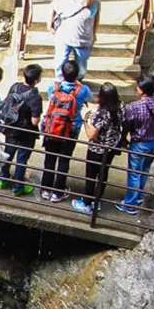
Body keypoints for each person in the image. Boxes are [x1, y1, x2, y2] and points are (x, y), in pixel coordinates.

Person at [116, 74, 154, 216]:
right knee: (145, 169)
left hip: (139, 143)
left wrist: (124, 138)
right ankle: (138, 198)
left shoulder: (134, 107)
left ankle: (130, 205)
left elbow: (127, 125)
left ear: (141, 89)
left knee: (134, 173)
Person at [38, 58, 93, 202]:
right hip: (71, 129)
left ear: (62, 74)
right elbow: (90, 97)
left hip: (53, 127)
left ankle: (45, 188)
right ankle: (58, 192)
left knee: (49, 159)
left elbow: (51, 99)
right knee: (64, 160)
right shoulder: (83, 90)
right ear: (77, 75)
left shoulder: (53, 88)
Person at [71, 82, 123, 215]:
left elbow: (91, 134)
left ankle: (87, 203)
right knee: (103, 173)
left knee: (91, 175)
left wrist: (85, 120)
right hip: (110, 147)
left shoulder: (102, 114)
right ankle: (96, 200)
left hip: (97, 149)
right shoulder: (120, 106)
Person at [0, 62, 42, 195]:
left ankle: (3, 179)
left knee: (8, 154)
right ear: (36, 80)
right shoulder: (35, 97)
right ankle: (17, 187)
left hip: (10, 129)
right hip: (25, 134)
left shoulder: (15, 87)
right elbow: (35, 121)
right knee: (21, 159)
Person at [48, 0, 99, 78]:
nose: (88, 3)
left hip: (84, 39)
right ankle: (59, 82)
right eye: (86, 0)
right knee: (61, 61)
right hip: (65, 36)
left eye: (91, 0)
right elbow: (53, 7)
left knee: (81, 67)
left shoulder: (96, 2)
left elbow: (96, 18)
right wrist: (49, 24)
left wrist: (94, 33)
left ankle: (78, 81)